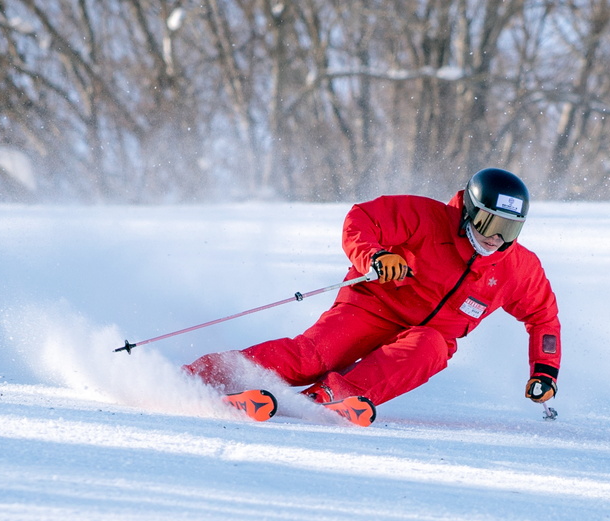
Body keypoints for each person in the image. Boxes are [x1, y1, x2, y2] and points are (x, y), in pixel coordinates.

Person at [183, 167, 561, 425]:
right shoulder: (425, 217)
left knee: (430, 347)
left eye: (509, 228)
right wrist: (376, 256)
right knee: (311, 357)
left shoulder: (517, 268)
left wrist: (544, 371)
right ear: (469, 212)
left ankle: (328, 399)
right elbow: (362, 220)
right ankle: (203, 377)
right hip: (373, 305)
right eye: (490, 223)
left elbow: (543, 318)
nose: (496, 237)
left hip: (426, 335)